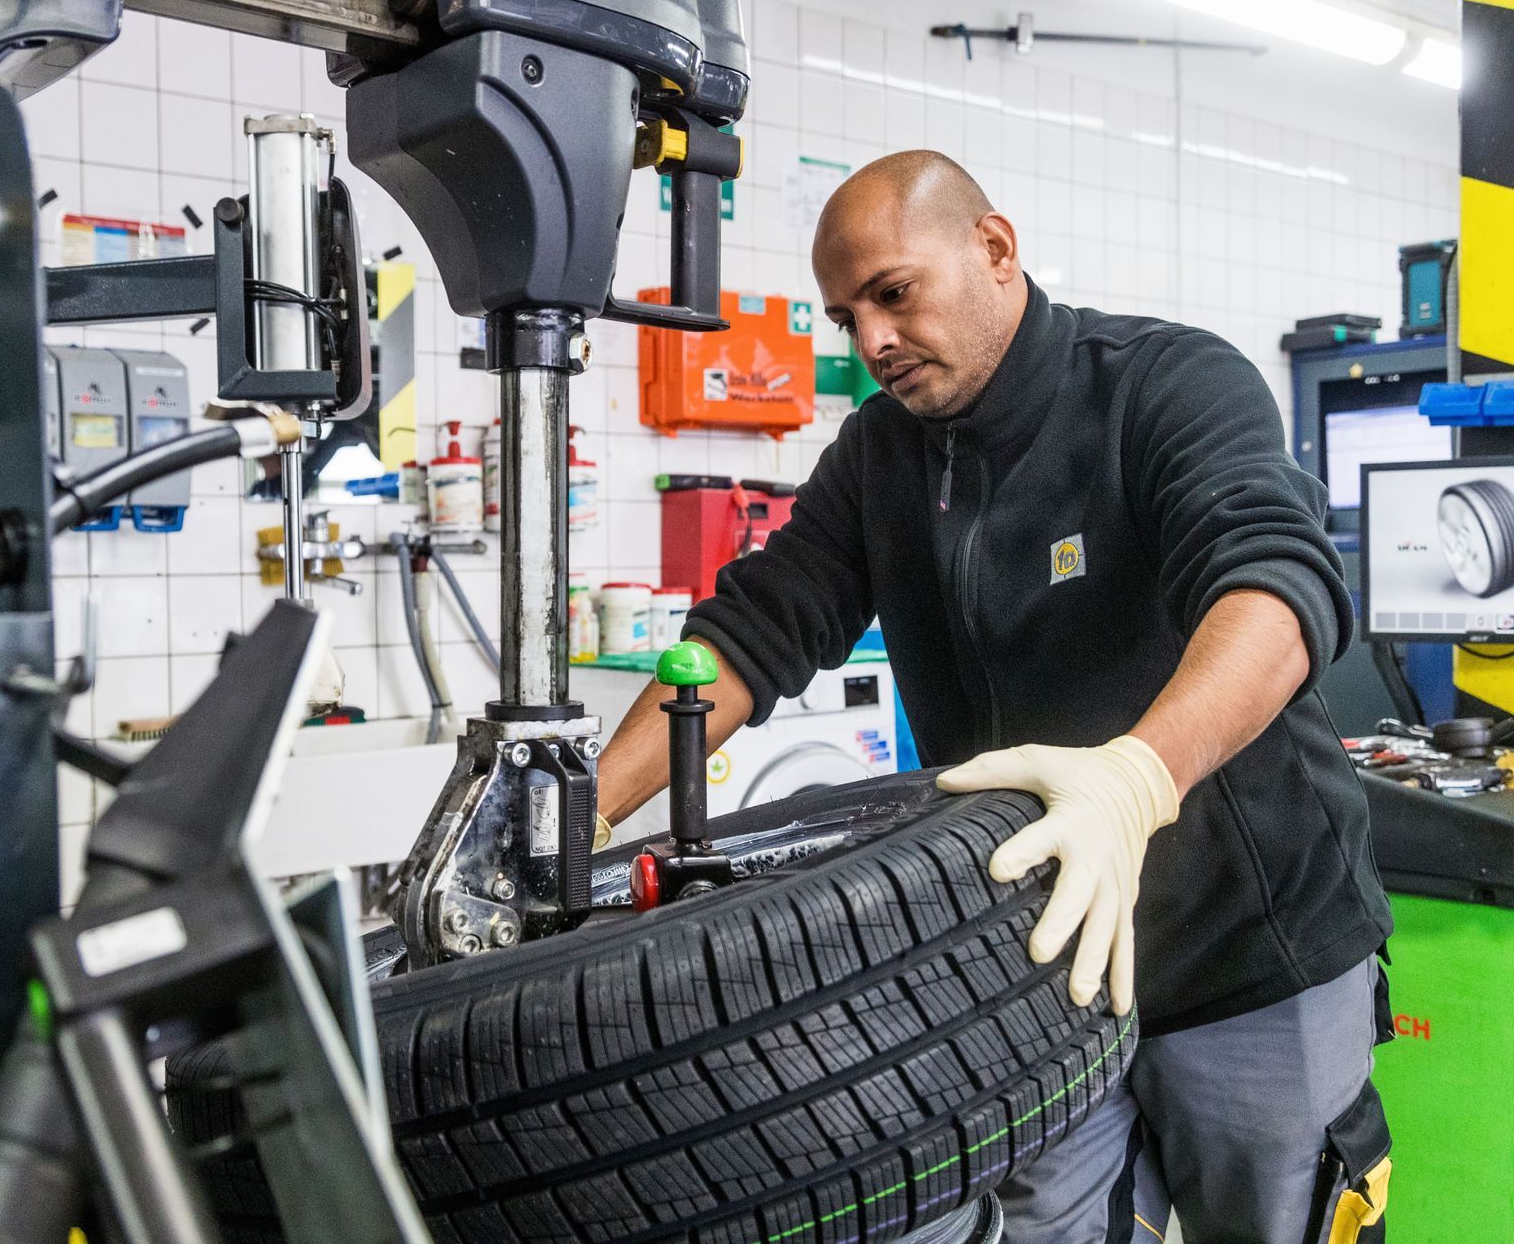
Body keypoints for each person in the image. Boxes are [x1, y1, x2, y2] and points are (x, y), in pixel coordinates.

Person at [593, 150, 1393, 1243]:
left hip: (1249, 947)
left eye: (894, 293)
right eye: (847, 317)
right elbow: (756, 629)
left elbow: (1279, 586)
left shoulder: (1163, 383)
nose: (873, 341)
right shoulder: (879, 456)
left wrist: (1136, 778)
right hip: (1041, 953)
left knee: (1276, 1222)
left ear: (995, 249)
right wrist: (582, 817)